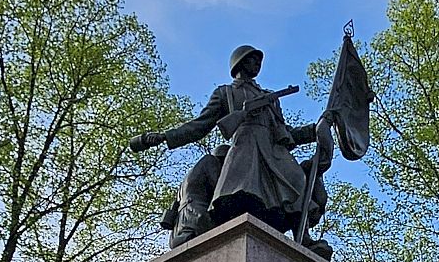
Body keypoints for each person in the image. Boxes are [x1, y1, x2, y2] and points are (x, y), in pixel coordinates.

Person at [131, 45, 332, 249]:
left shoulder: (269, 97)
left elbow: (284, 130)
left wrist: (314, 129)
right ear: (240, 62)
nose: (257, 64)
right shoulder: (225, 93)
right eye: (252, 60)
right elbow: (200, 125)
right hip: (245, 147)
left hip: (273, 151)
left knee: (298, 182)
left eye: (259, 61)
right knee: (243, 191)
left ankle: (304, 239)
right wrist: (166, 136)